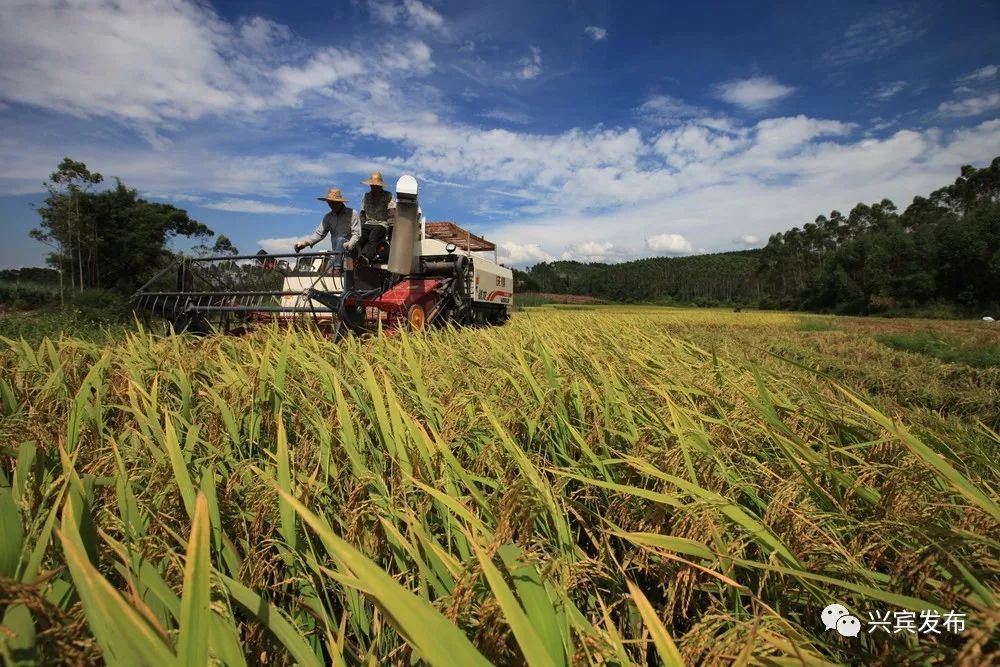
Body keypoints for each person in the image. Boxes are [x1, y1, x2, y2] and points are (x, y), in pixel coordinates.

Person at [293, 187, 361, 277]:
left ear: (340, 202)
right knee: (326, 277)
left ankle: (337, 269)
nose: (331, 204)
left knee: (341, 240)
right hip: (335, 254)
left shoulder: (352, 213)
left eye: (333, 202)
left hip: (351, 253)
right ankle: (335, 269)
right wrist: (304, 243)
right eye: (329, 202)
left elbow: (357, 234)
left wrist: (350, 243)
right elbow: (319, 234)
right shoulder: (328, 217)